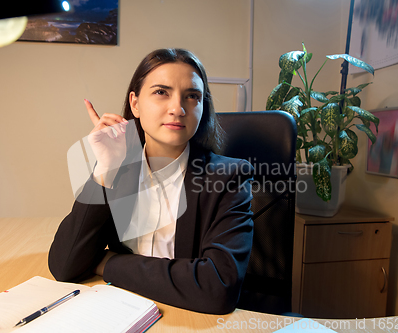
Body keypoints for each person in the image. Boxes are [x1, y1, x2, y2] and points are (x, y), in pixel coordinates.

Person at [48, 48, 254, 314]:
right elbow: (65, 265)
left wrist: (107, 264)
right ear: (135, 103)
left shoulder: (229, 178)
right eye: (161, 92)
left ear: (202, 107)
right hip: (119, 311)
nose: (177, 108)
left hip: (188, 320)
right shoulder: (117, 169)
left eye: (192, 96)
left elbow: (217, 288)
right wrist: (106, 171)